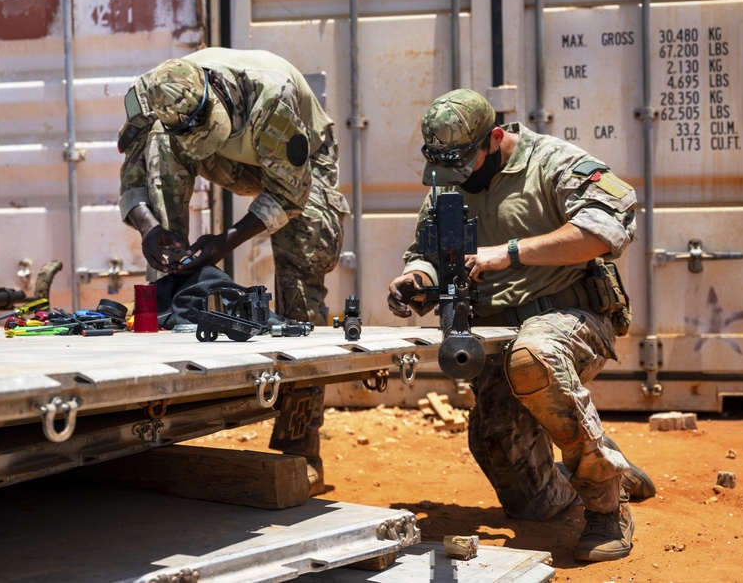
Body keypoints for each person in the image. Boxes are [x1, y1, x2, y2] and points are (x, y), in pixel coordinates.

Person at [387, 89, 655, 562]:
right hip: (493, 336)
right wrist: (416, 279)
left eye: (463, 164)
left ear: (493, 139)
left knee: (534, 356)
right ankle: (600, 458)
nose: (454, 178)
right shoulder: (449, 181)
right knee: (523, 492)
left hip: (569, 318)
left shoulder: (552, 162)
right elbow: (428, 255)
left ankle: (607, 507)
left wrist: (509, 253)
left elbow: (606, 228)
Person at [116, 48, 351, 495]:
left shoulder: (271, 96)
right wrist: (150, 229)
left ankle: (301, 448)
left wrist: (227, 241)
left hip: (299, 164)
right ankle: (159, 421)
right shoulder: (151, 99)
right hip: (226, 150)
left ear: (215, 93)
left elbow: (289, 192)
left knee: (300, 281)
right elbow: (132, 181)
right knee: (161, 147)